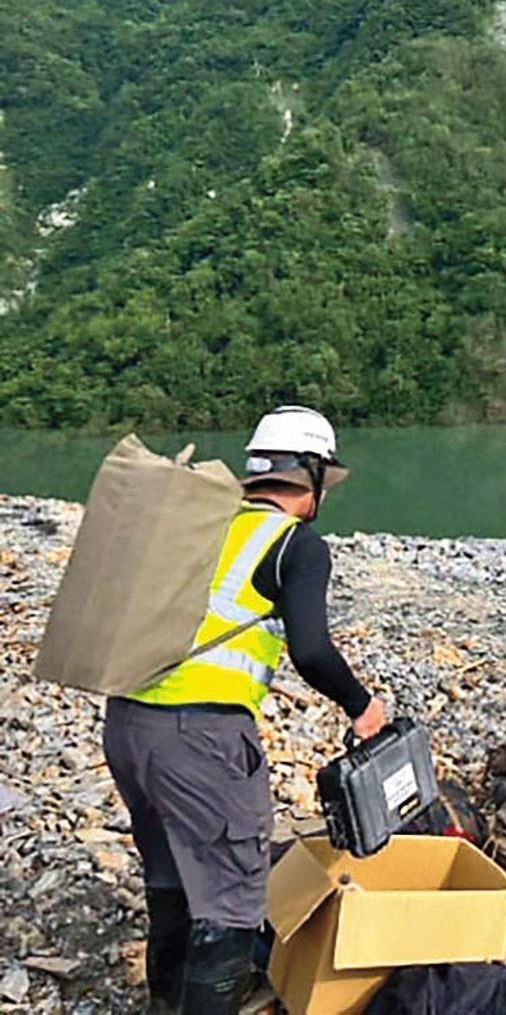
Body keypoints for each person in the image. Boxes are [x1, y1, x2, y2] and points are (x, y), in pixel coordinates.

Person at [103, 406, 386, 1015]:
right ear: (311, 476)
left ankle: (165, 1002)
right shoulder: (295, 545)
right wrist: (361, 706)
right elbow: (312, 651)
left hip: (127, 723)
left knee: (173, 877)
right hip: (199, 738)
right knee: (229, 901)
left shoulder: (206, 524)